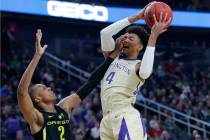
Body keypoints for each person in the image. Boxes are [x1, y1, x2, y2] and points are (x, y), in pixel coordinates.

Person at [17, 29, 123, 140]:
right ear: (38, 99)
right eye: (43, 88)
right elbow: (22, 93)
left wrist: (113, 55)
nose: (49, 88)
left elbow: (91, 82)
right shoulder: (37, 118)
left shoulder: (64, 106)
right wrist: (37, 56)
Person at [99, 4, 171, 140]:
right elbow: (105, 33)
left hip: (124, 114)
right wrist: (135, 17)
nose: (125, 39)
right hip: (106, 120)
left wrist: (153, 38)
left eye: (131, 38)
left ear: (140, 47)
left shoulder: (138, 65)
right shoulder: (111, 59)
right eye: (125, 37)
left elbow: (145, 73)